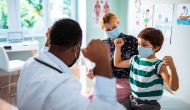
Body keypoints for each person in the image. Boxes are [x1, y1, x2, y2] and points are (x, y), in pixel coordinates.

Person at [17, 18, 126, 110]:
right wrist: (103, 61)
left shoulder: (30, 63)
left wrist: (48, 42)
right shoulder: (61, 87)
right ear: (76, 47)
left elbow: (43, 54)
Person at [114, 27, 179, 110]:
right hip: (132, 100)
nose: (140, 47)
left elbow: (173, 87)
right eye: (139, 44)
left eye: (144, 45)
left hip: (148, 105)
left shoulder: (158, 65)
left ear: (156, 47)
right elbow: (118, 63)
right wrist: (117, 47)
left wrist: (172, 69)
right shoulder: (135, 59)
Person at [86, 12, 138, 103]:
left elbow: (138, 63)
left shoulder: (132, 41)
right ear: (103, 30)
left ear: (118, 23)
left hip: (126, 81)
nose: (112, 31)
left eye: (114, 27)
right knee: (89, 99)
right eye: (108, 29)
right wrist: (92, 72)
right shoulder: (103, 44)